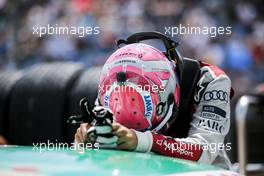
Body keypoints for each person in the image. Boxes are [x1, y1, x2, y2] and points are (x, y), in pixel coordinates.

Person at [74, 32, 233, 169]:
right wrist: (87, 136)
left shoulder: (211, 81)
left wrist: (138, 140)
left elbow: (205, 151)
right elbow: (96, 138)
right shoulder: (113, 83)